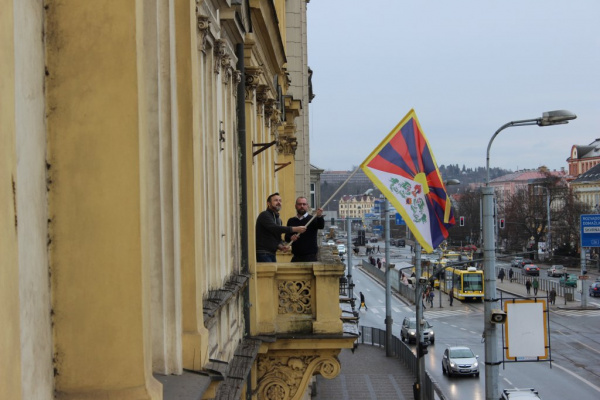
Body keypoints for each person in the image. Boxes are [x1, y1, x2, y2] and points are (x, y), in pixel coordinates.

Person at [255, 192, 306, 262]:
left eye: (280, 201)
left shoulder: (278, 219)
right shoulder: (264, 215)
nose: (278, 202)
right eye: (276, 200)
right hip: (263, 252)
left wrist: (281, 247)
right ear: (268, 203)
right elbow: (274, 228)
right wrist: (295, 229)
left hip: (272, 253)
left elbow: (277, 237)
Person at [285, 197, 324, 262]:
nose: (302, 206)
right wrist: (291, 237)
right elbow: (286, 237)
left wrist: (319, 216)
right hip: (296, 256)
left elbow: (321, 226)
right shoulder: (291, 220)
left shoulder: (313, 219)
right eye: (299, 204)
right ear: (296, 206)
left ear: (307, 206)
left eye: (304, 204)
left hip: (310, 257)